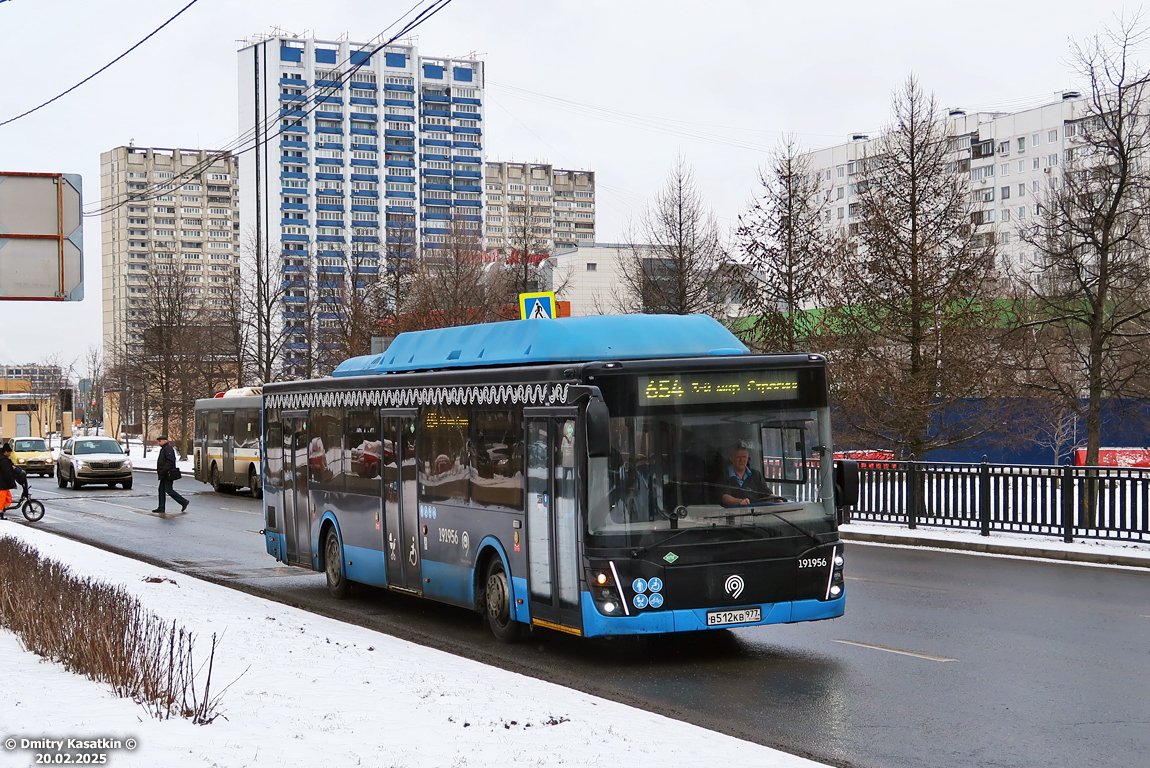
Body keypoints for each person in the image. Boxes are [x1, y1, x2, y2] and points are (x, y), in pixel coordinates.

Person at [719, 441, 786, 507]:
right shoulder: (725, 474)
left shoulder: (755, 474)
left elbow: (766, 494)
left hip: (755, 513)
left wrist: (776, 498)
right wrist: (740, 502)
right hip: (732, 513)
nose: (741, 460)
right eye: (738, 457)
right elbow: (724, 497)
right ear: (731, 459)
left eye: (744, 457)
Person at [153, 435, 189, 514]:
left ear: (164, 441)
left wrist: (164, 470)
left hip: (167, 473)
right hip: (164, 473)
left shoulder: (168, 448)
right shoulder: (164, 449)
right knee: (161, 490)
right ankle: (161, 507)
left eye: (160, 441)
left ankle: (183, 501)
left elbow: (170, 461)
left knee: (168, 489)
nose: (158, 443)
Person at [0, 443, 16, 520]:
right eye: (9, 452)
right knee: (2, 500)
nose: (10, 454)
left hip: (4, 484)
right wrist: (12, 484)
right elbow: (7, 474)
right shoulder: (4, 461)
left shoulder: (3, 459)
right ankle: (0, 513)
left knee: (8, 498)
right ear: (5, 452)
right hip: (2, 484)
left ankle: (3, 510)